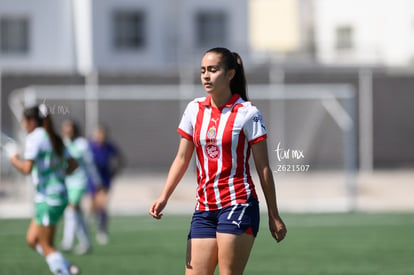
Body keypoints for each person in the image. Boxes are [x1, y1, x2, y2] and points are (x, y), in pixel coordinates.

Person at [149, 47, 287, 274]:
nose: (206, 75)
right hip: (204, 208)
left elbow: (263, 168)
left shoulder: (247, 113)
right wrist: (164, 196)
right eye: (203, 70)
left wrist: (274, 215)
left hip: (238, 204)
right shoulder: (194, 109)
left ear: (230, 74)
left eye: (213, 70)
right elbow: (182, 158)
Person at [9, 104, 80, 275]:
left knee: (45, 245)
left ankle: (63, 271)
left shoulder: (35, 138)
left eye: (24, 121)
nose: (23, 124)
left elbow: (26, 169)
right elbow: (73, 165)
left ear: (32, 121)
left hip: (48, 198)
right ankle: (67, 266)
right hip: (57, 195)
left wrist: (13, 159)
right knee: (32, 240)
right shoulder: (54, 137)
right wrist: (58, 175)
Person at [60, 119, 102, 254]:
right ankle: (86, 243)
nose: (67, 131)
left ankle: (67, 242)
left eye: (69, 128)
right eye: (65, 128)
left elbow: (90, 163)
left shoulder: (82, 144)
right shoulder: (63, 144)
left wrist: (97, 180)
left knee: (71, 209)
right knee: (76, 212)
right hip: (67, 182)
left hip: (79, 181)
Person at [88, 125, 122, 245]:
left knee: (102, 204)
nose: (100, 137)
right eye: (98, 134)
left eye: (102, 134)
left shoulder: (109, 147)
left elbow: (120, 158)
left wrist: (115, 171)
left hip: (105, 179)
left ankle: (102, 230)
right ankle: (91, 223)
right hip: (92, 179)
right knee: (93, 206)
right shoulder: (90, 146)